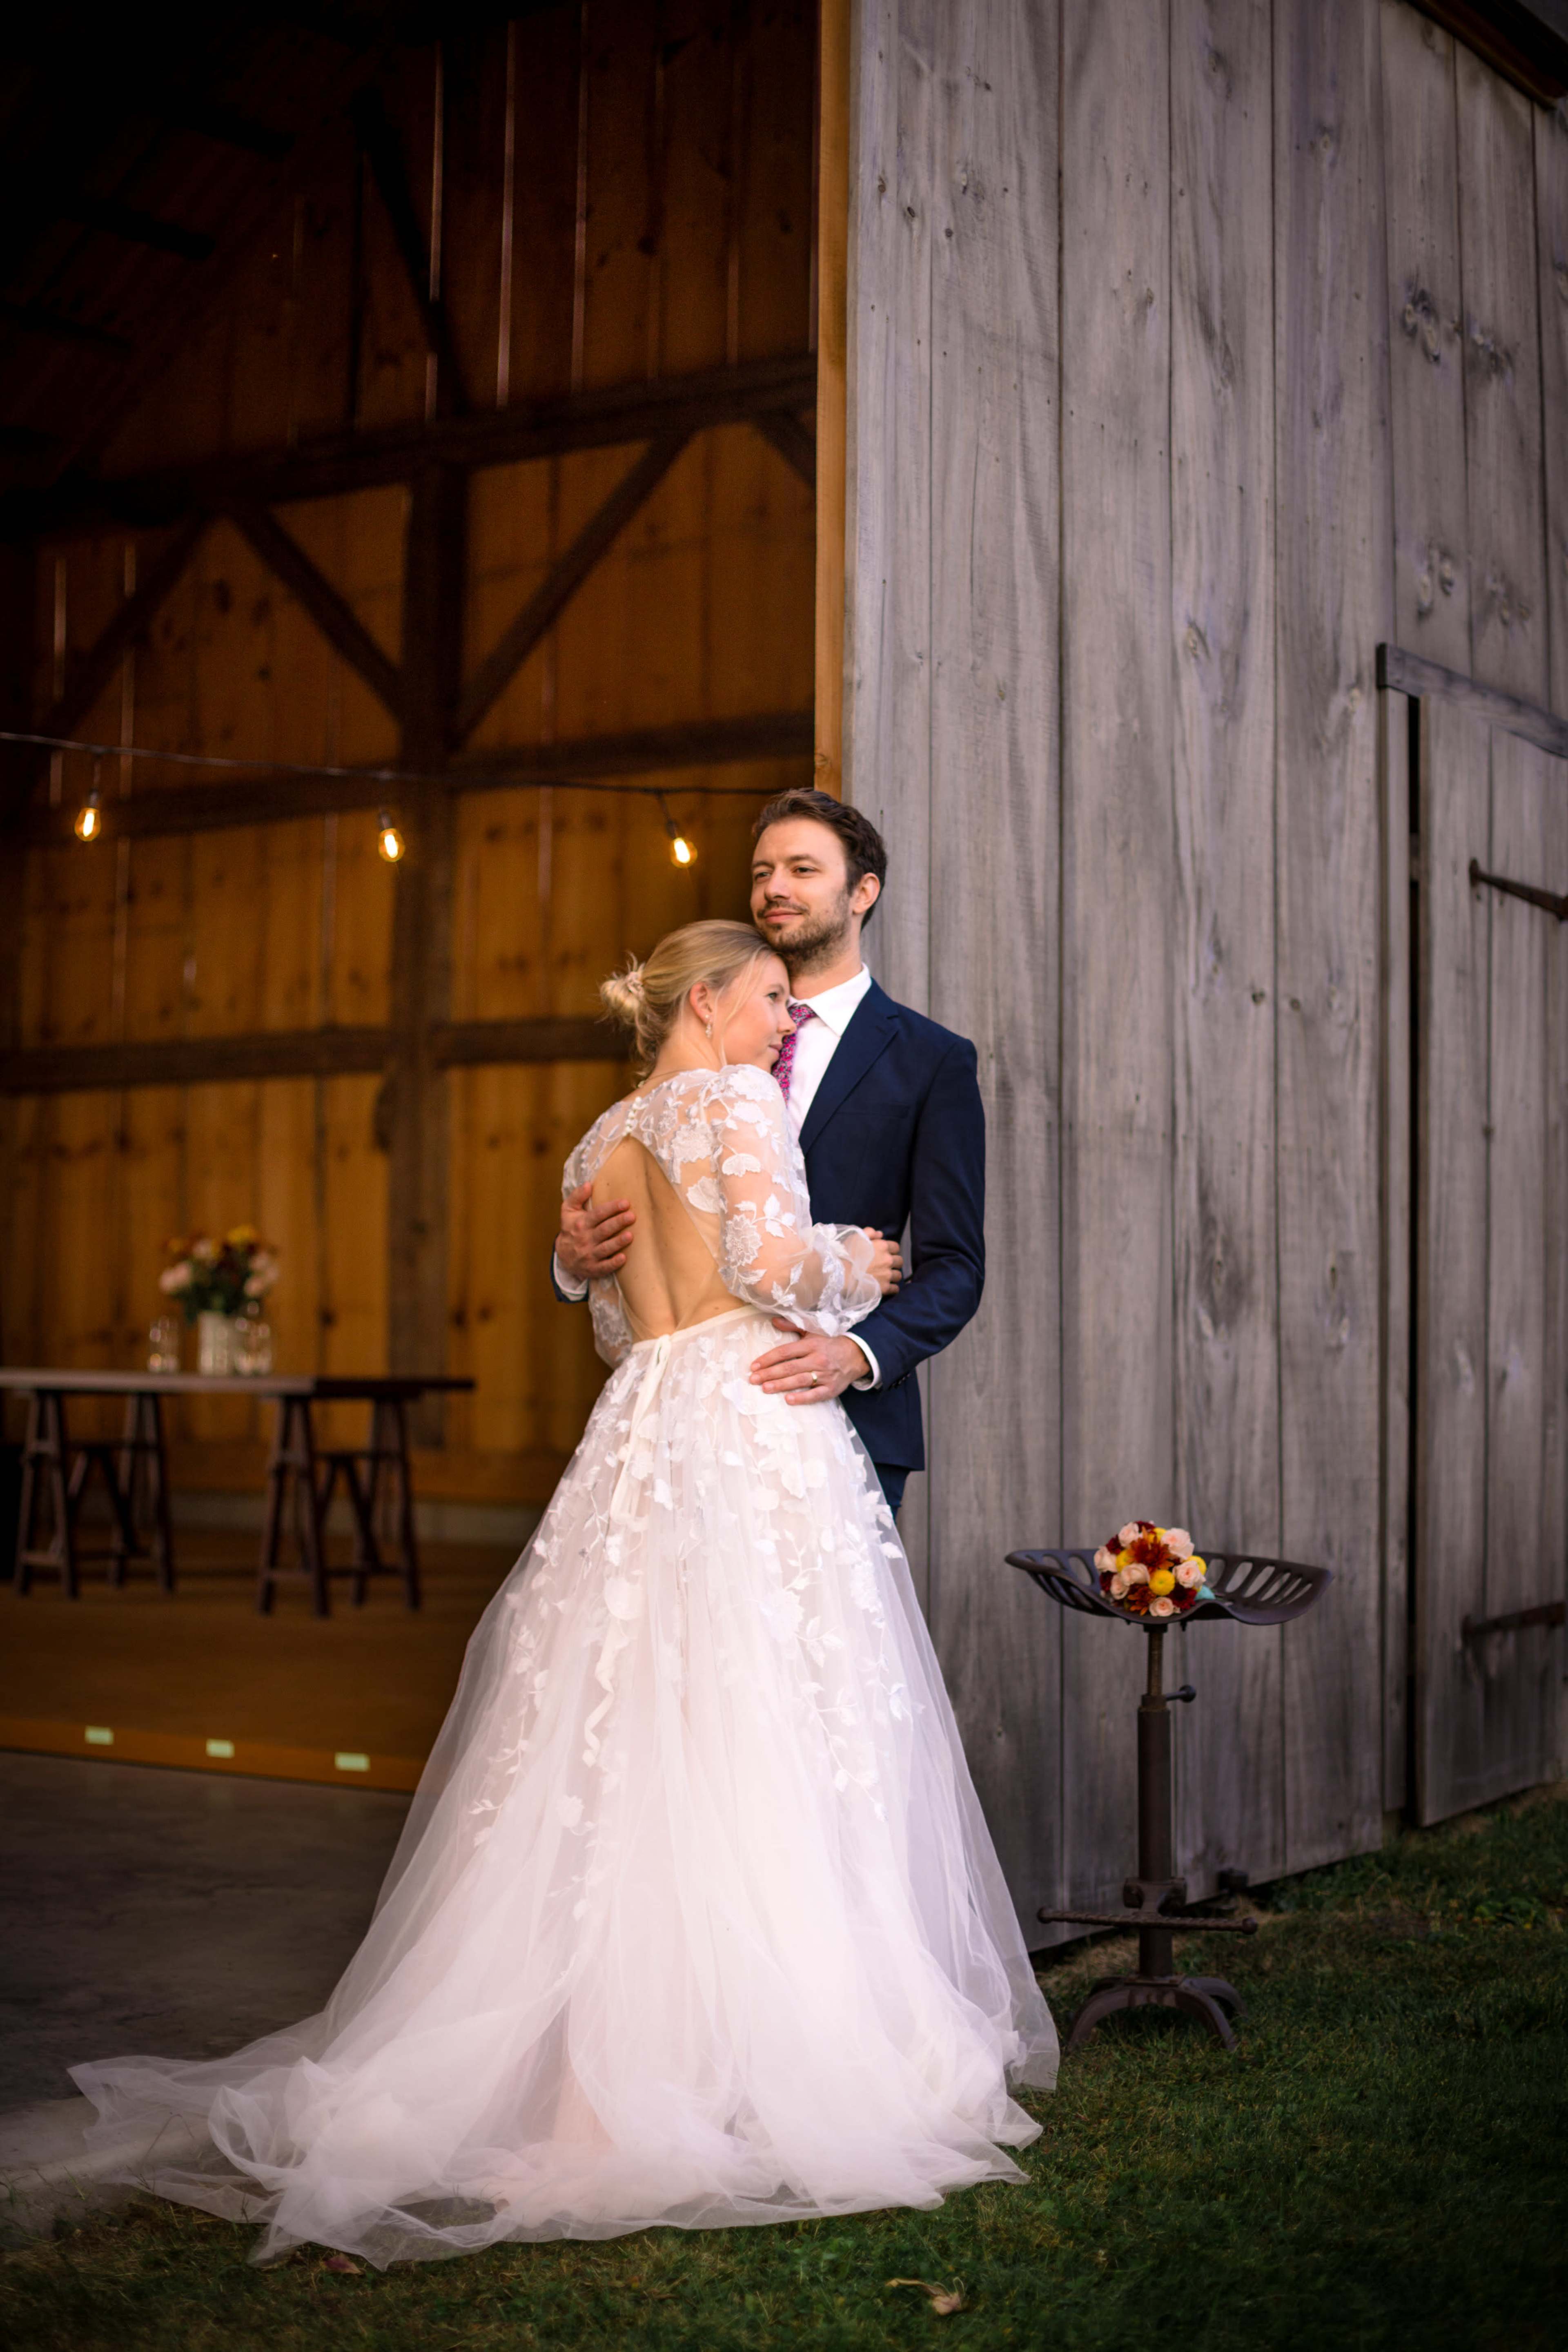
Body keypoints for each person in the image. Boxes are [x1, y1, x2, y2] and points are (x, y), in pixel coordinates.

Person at [70, 920, 1056, 2270]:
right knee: (765, 1721)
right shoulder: (732, 1101)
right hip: (742, 1425)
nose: (785, 1024)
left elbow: (606, 1317)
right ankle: (754, 2058)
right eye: (771, 1000)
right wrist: (867, 1263)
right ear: (708, 1004)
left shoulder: (601, 1139)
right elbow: (772, 1271)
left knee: (625, 1731)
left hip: (642, 1420)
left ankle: (609, 2065)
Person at [554, 789, 984, 1518]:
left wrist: (857, 1354)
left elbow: (955, 1266)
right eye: (761, 873)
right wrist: (572, 1261)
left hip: (849, 1414)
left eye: (801, 870)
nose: (773, 889)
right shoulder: (686, 1059)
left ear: (862, 892)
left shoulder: (930, 1059)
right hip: (687, 1423)